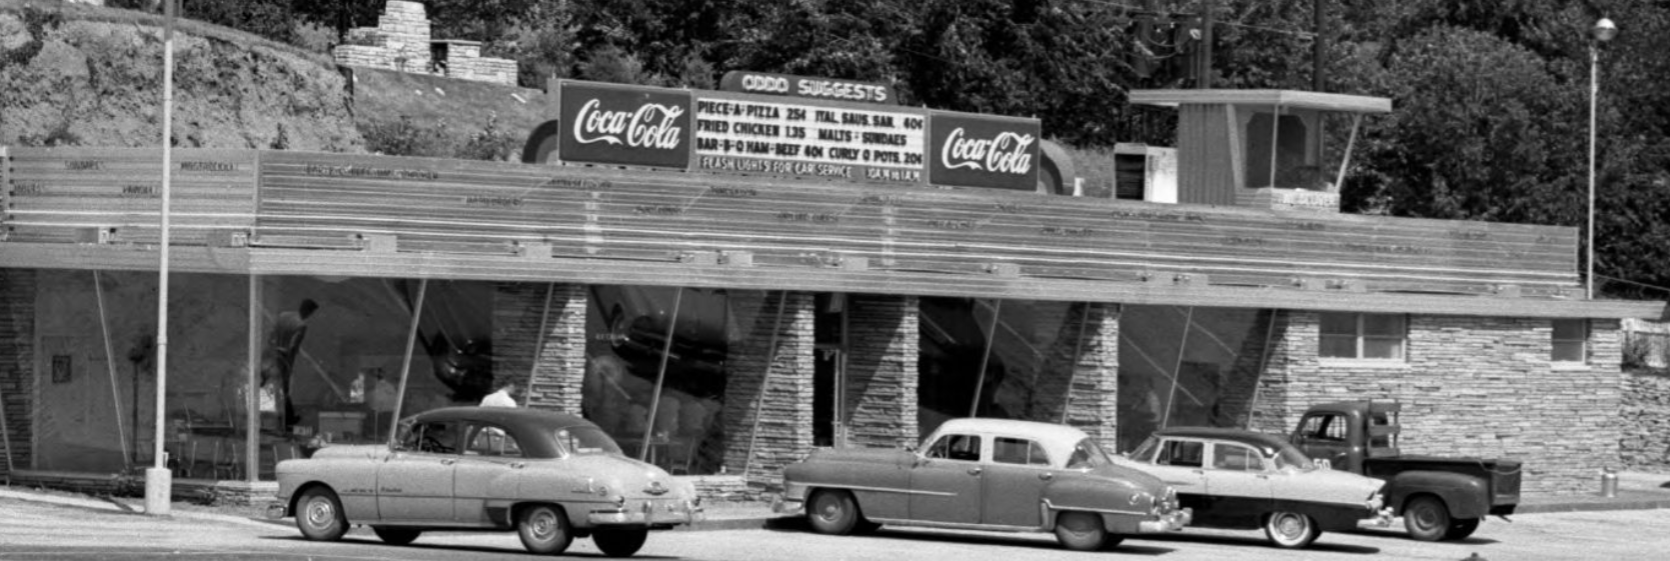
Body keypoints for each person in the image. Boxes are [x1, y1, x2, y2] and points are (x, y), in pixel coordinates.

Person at [262, 299, 318, 432]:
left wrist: (270, 349)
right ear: (308, 311)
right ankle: (286, 420)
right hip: (282, 359)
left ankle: (278, 419)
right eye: (311, 313)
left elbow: (271, 335)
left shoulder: (283, 315)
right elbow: (293, 347)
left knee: (266, 384)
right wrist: (289, 365)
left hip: (270, 355)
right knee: (283, 390)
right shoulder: (301, 325)